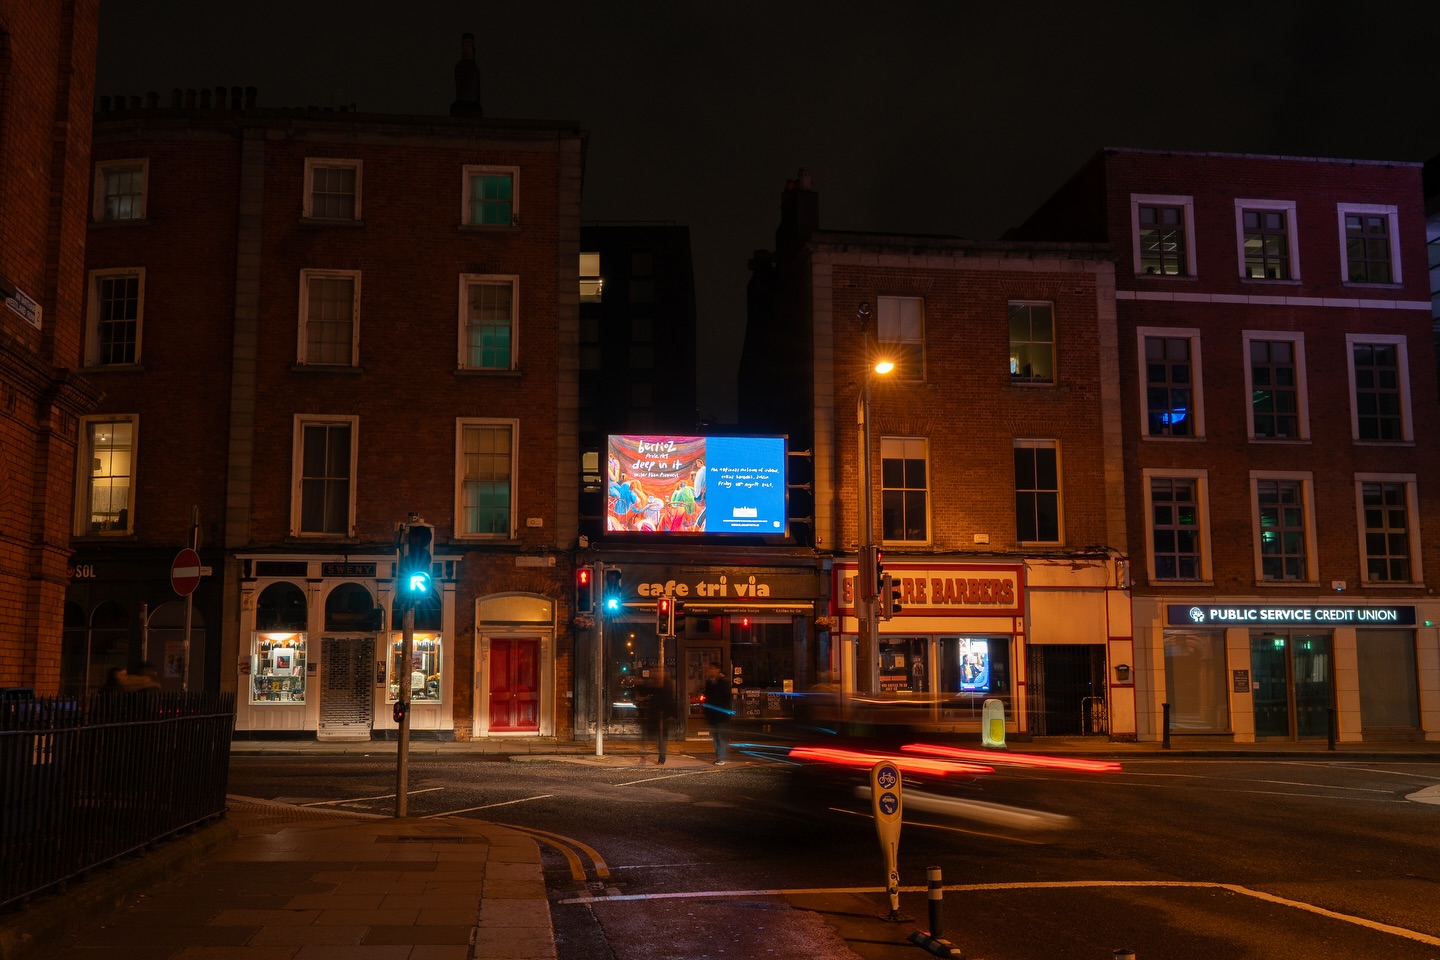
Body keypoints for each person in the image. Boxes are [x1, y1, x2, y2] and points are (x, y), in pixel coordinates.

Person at [640, 671, 677, 764]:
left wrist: (670, 715)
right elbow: (644, 692)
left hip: (663, 717)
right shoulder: (655, 686)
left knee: (661, 740)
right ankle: (651, 756)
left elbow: (669, 701)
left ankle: (661, 758)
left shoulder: (667, 686)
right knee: (653, 738)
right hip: (655, 716)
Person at [701, 662, 733, 765]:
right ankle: (719, 756)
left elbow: (726, 698)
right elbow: (708, 697)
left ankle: (721, 757)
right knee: (715, 737)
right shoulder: (709, 682)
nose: (710, 671)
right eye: (709, 669)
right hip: (713, 715)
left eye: (712, 669)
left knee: (721, 737)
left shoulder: (723, 682)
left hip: (722, 715)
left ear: (717, 670)